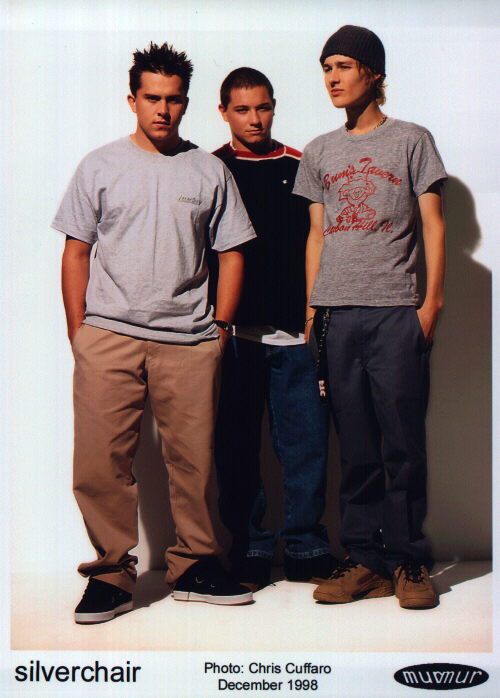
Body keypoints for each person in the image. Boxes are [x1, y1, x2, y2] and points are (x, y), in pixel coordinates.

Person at [52, 42, 257, 623]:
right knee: (100, 462)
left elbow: (233, 251)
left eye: (173, 99)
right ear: (133, 100)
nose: (163, 110)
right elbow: (75, 251)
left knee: (194, 462)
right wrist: (79, 332)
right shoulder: (100, 165)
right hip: (108, 335)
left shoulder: (209, 170)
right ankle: (111, 575)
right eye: (152, 98)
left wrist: (220, 328)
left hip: (189, 339)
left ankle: (195, 566)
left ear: (186, 103)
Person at [293, 25, 447, 609]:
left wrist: (430, 304)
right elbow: (317, 235)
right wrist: (313, 308)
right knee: (354, 445)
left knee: (402, 445)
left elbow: (433, 224)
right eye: (325, 67)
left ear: (373, 73)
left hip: (394, 314)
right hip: (337, 314)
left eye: (342, 65)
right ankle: (364, 560)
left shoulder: (412, 139)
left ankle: (409, 560)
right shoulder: (319, 151)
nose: (331, 78)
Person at [212, 67, 338, 592]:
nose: (254, 119)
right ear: (223, 112)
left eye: (263, 107)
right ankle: (250, 548)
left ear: (274, 107)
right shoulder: (211, 168)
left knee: (306, 446)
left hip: (295, 334)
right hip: (234, 337)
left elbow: (321, 240)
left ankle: (306, 546)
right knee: (237, 449)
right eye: (242, 109)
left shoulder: (300, 165)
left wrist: (314, 318)